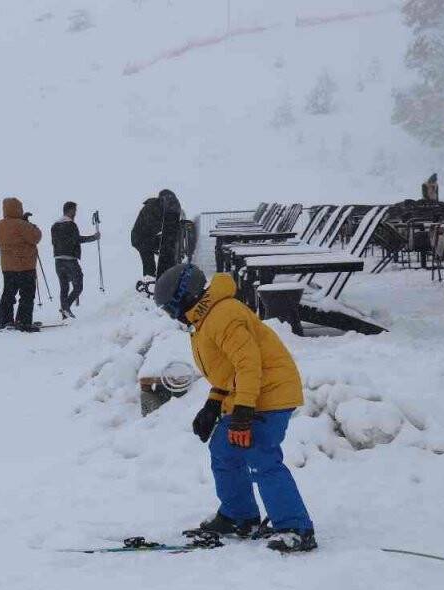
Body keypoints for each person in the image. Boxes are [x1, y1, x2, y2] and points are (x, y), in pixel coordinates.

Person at [150, 263, 316, 553]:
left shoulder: (223, 315)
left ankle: (296, 528)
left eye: (169, 308)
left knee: (261, 455)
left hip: (270, 393)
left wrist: (242, 413)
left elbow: (249, 364)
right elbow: (228, 371)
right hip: (251, 393)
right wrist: (213, 403)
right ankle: (239, 516)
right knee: (223, 450)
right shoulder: (205, 320)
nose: (171, 315)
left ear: (183, 297)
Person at [0, 197, 43, 332]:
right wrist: (29, 224)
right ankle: (23, 321)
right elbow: (36, 237)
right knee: (27, 295)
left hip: (7, 267)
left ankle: (6, 321)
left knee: (8, 295)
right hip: (25, 265)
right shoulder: (22, 225)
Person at [50, 201, 99, 320]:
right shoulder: (71, 225)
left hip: (58, 260)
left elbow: (54, 242)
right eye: (75, 210)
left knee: (64, 287)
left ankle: (64, 314)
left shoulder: (54, 226)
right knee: (78, 286)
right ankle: (65, 307)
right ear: (70, 210)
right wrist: (94, 237)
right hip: (70, 260)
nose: (76, 213)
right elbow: (77, 239)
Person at [131, 189, 185, 279]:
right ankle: (150, 279)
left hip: (150, 236)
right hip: (140, 238)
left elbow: (173, 221)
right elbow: (151, 225)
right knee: (149, 260)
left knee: (168, 246)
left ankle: (166, 273)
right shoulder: (150, 207)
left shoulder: (169, 206)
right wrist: (166, 228)